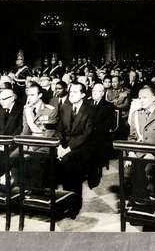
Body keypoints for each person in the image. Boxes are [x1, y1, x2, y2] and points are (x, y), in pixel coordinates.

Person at [56, 82, 95, 215]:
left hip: (82, 147)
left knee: (70, 165)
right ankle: (61, 201)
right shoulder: (65, 107)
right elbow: (59, 128)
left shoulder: (89, 110)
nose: (71, 95)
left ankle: (74, 205)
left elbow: (87, 134)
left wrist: (68, 148)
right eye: (70, 92)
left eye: (75, 92)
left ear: (83, 95)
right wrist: (61, 145)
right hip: (64, 145)